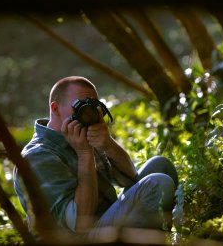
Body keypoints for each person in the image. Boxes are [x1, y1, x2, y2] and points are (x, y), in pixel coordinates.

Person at [13, 76, 178, 241]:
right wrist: (85, 154)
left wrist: (108, 144)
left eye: (92, 105)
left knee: (161, 166)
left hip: (105, 221)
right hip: (77, 240)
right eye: (80, 105)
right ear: (55, 108)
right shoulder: (37, 157)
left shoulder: (83, 131)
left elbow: (129, 180)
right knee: (159, 183)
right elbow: (79, 223)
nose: (87, 112)